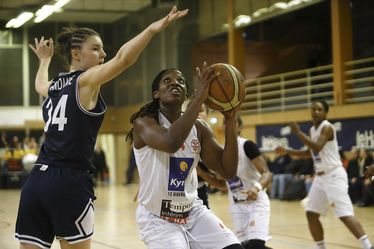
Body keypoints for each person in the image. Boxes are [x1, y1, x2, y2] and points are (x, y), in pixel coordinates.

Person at [15, 6, 188, 249]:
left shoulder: (55, 85)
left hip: (36, 182)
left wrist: (44, 60)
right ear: (76, 54)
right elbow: (124, 59)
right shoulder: (85, 81)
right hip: (69, 182)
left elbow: (40, 85)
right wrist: (151, 29)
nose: (103, 54)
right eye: (95, 49)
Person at [127, 64, 244, 249]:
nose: (175, 83)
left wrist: (230, 120)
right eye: (168, 81)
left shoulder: (199, 128)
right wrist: (199, 98)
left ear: (186, 94)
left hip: (192, 212)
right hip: (157, 218)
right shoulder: (143, 123)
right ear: (156, 94)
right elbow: (171, 142)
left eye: (181, 81)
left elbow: (228, 171)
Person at [275, 100, 373, 249]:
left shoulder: (327, 128)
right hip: (320, 177)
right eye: (313, 109)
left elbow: (317, 147)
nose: (316, 112)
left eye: (319, 109)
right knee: (311, 213)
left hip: (334, 174)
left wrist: (297, 132)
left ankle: (368, 246)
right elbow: (309, 152)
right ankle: (320, 247)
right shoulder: (312, 131)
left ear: (326, 112)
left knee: (344, 214)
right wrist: (288, 151)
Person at [225, 116, 273, 249]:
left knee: (255, 245)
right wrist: (203, 174)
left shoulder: (247, 145)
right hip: (237, 205)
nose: (228, 126)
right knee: (244, 247)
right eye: (226, 123)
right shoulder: (221, 151)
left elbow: (267, 173)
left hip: (256, 201)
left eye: (233, 123)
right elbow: (223, 185)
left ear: (240, 127)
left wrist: (256, 188)